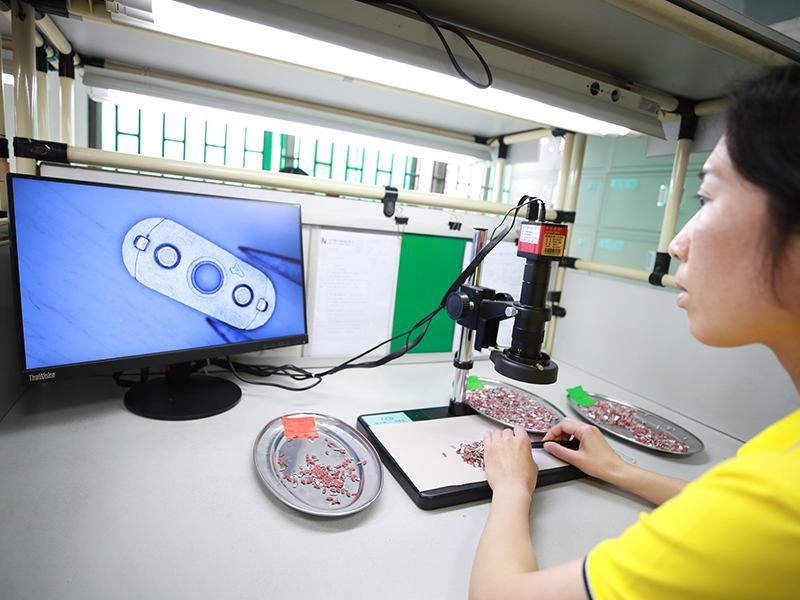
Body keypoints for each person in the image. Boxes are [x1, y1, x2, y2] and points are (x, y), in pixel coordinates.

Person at [469, 65, 800, 600]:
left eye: (707, 199)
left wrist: (511, 488)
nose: (677, 243)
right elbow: (727, 513)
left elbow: (498, 596)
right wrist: (621, 472)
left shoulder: (777, 504)